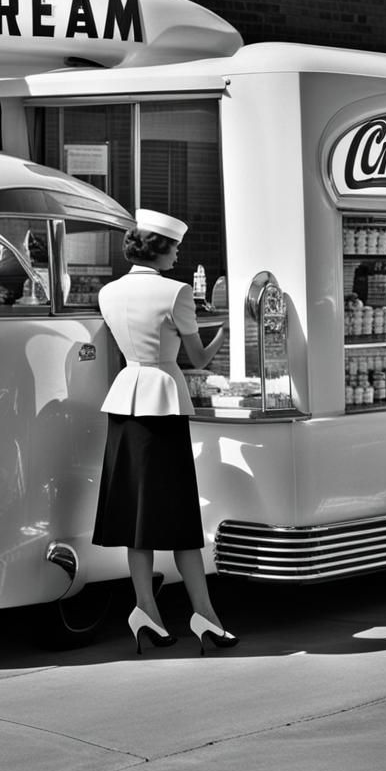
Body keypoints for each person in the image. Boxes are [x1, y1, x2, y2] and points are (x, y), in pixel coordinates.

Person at [93, 209, 238, 655]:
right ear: (160, 247)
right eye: (175, 246)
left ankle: (146, 611)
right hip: (163, 404)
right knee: (179, 521)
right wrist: (226, 328)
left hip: (125, 403)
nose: (179, 253)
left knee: (139, 520)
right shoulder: (176, 293)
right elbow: (197, 359)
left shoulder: (109, 292)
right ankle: (205, 616)